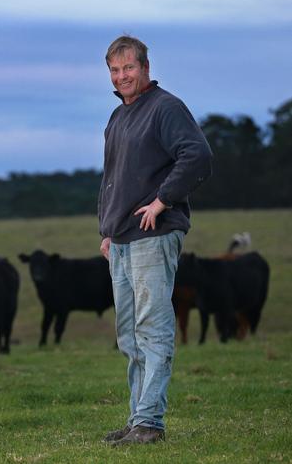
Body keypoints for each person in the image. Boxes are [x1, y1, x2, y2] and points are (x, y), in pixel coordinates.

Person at [98, 35, 213, 445]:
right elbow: (113, 178)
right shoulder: (118, 116)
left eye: (129, 67)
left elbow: (197, 155)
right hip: (123, 239)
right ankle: (137, 419)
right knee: (129, 334)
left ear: (145, 67)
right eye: (115, 69)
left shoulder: (165, 108)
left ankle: (150, 423)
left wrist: (162, 201)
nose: (122, 76)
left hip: (153, 232)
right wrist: (108, 230)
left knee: (153, 327)